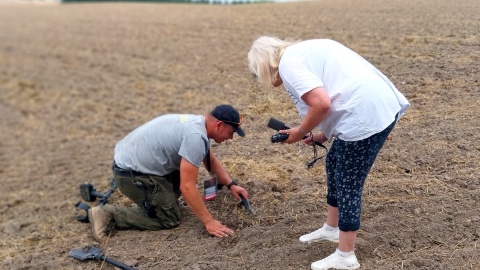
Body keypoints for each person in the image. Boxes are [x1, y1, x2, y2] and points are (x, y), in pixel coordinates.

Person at [248, 36, 410, 270]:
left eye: (258, 73)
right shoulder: (303, 52)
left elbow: (322, 103)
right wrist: (320, 135)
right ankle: (332, 229)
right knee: (333, 162)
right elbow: (336, 92)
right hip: (373, 105)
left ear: (266, 65)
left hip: (365, 115)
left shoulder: (288, 64)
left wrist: (300, 131)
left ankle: (346, 256)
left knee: (348, 182)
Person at [88, 104, 249, 242]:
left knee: (185, 172)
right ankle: (108, 214)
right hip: (130, 175)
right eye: (231, 133)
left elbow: (210, 160)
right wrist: (209, 221)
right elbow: (187, 187)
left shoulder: (198, 125)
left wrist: (231, 185)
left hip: (135, 164)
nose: (231, 138)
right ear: (219, 125)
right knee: (169, 218)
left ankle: (162, 201)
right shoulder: (195, 136)